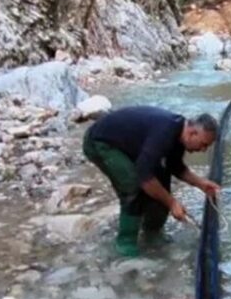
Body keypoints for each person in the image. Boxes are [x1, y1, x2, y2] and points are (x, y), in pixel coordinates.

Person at [83, 105, 221, 257]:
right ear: (192, 133)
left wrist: (201, 183)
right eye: (203, 144)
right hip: (100, 142)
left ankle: (151, 234)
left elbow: (175, 166)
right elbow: (145, 178)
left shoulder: (179, 136)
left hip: (130, 146)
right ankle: (125, 246)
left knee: (161, 185)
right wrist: (172, 203)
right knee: (132, 185)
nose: (203, 150)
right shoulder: (164, 132)